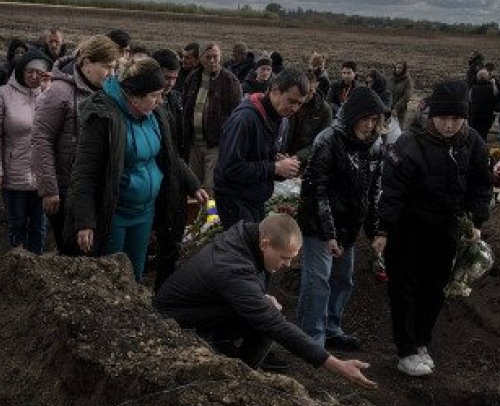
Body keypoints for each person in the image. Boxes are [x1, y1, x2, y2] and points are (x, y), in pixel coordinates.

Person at [153, 214, 377, 388]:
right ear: (265, 244)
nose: (288, 265)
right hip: (176, 326)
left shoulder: (245, 238)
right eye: (284, 258)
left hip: (200, 310)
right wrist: (335, 364)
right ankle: (241, 378)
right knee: (269, 320)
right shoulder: (232, 267)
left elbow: (245, 287)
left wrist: (258, 297)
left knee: (266, 311)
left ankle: (237, 363)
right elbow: (273, 324)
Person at [379, 80, 492, 376]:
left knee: (435, 286)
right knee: (404, 287)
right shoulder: (409, 144)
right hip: (409, 226)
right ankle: (404, 351)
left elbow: (482, 185)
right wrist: (383, 229)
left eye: (456, 119)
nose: (449, 125)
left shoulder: (474, 143)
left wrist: (475, 220)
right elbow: (392, 190)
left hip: (447, 227)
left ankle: (420, 342)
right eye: (443, 118)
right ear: (431, 116)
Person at [69, 58, 206, 283]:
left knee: (135, 272)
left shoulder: (156, 116)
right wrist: (84, 222)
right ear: (134, 96)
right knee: (112, 276)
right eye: (154, 96)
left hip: (144, 212)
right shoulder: (103, 117)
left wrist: (192, 184)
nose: (160, 101)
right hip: (114, 214)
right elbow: (84, 173)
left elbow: (169, 156)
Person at [295, 87, 388, 351]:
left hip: (349, 224)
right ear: (352, 117)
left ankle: (332, 329)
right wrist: (328, 233)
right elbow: (316, 190)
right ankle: (309, 338)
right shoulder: (328, 141)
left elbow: (374, 190)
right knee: (318, 280)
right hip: (319, 223)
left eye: (374, 120)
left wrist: (376, 231)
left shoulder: (375, 145)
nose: (369, 125)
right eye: (364, 119)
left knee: (342, 279)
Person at [31, 35, 121, 254]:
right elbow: (41, 140)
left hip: (91, 187)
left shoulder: (105, 93)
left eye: (114, 67)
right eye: (106, 67)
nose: (111, 73)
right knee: (73, 251)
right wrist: (49, 189)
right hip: (64, 188)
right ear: (87, 63)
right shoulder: (60, 92)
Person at [213, 68, 307, 228]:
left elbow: (262, 159)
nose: (295, 109)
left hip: (256, 197)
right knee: (245, 250)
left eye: (299, 104)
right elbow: (230, 168)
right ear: (275, 90)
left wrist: (282, 166)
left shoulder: (282, 120)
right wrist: (274, 168)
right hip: (234, 199)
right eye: (291, 101)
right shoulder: (244, 119)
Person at [0, 51, 52, 254]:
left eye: (39, 73)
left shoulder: (50, 96)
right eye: (30, 71)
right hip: (14, 172)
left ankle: (36, 265)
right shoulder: (3, 94)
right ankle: (17, 261)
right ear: (21, 70)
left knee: (39, 225)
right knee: (17, 222)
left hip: (42, 174)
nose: (33, 77)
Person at [182, 42, 243, 194]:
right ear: (201, 58)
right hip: (194, 143)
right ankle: (193, 217)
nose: (212, 60)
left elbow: (236, 116)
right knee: (193, 186)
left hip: (215, 145)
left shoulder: (230, 81)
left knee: (211, 188)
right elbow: (185, 107)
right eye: (208, 57)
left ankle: (211, 218)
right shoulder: (192, 78)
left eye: (215, 57)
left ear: (220, 57)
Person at [152, 49, 190, 290]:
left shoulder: (175, 100)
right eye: (166, 77)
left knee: (172, 239)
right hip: (153, 176)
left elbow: (178, 146)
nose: (169, 84)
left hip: (175, 174)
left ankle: (162, 293)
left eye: (174, 79)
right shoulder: (147, 104)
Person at [278, 68, 332, 163]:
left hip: (306, 160)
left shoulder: (324, 110)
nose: (306, 96)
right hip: (281, 156)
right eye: (303, 91)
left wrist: (298, 157)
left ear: (315, 88)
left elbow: (323, 141)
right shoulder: (287, 102)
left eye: (310, 91)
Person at [468, 68, 498, 142]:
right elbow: (495, 99)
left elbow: (470, 100)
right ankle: (483, 148)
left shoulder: (474, 88)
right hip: (488, 114)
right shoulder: (492, 88)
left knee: (475, 132)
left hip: (476, 114)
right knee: (484, 133)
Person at [388, 61, 412, 129]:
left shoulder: (407, 81)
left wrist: (396, 108)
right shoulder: (391, 79)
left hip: (400, 110)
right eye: (396, 67)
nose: (398, 69)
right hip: (388, 108)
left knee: (398, 128)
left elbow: (406, 97)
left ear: (404, 69)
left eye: (400, 68)